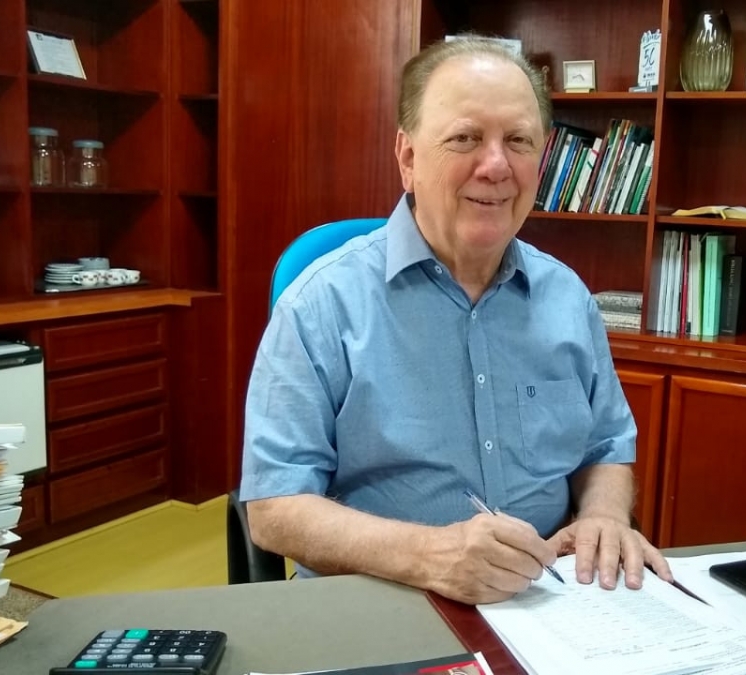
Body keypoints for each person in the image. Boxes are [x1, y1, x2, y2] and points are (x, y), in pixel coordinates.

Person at [240, 35, 672, 605]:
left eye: (518, 141)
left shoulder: (568, 298)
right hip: (380, 600)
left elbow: (605, 448)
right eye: (465, 138)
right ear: (408, 158)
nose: (496, 166)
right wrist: (430, 556)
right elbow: (274, 509)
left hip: (551, 603)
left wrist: (604, 517)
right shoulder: (319, 305)